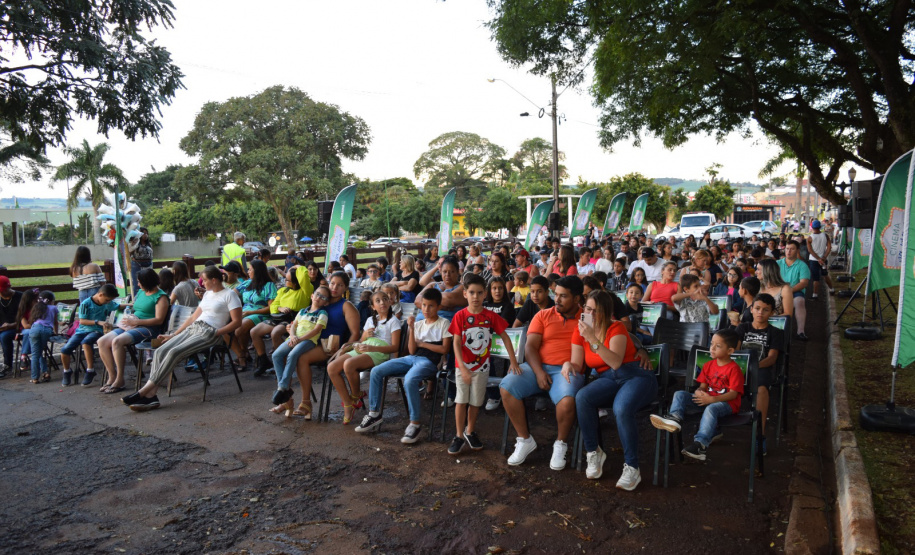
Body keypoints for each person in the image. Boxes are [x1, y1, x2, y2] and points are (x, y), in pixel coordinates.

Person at [121, 266, 243, 411]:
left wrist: (217, 332)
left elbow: (237, 322)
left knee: (174, 352)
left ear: (214, 280)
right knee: (160, 350)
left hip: (210, 332)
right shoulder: (208, 294)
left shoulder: (229, 295)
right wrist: (173, 334)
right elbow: (193, 317)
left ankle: (143, 392)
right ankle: (151, 395)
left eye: (204, 280)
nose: (201, 283)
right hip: (195, 328)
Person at [571, 290, 656, 487]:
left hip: (635, 375)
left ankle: (632, 468)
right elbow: (577, 362)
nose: (590, 314)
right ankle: (594, 452)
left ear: (607, 312)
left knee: (621, 407)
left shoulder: (616, 327)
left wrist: (593, 339)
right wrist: (569, 365)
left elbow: (616, 362)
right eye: (587, 309)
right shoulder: (581, 330)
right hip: (608, 378)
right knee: (583, 397)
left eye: (596, 311)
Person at [500, 276, 585, 469]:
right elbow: (530, 347)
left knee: (567, 401)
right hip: (537, 366)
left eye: (564, 296)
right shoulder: (543, 315)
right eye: (557, 295)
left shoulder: (587, 318)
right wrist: (538, 372)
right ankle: (524, 439)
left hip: (568, 370)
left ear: (577, 298)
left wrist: (639, 348)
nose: (557, 300)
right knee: (507, 386)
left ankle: (560, 443)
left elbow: (614, 329)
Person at [355, 287, 453, 442]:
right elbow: (412, 350)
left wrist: (423, 344)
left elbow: (444, 349)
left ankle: (415, 423)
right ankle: (374, 413)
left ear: (438, 307)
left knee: (410, 379)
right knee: (376, 371)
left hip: (429, 362)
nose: (426, 309)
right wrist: (412, 329)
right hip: (412, 358)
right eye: (424, 305)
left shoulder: (444, 323)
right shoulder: (419, 324)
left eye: (431, 306)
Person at [448, 273, 519, 455]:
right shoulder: (459, 316)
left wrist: (513, 360)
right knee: (461, 401)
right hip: (462, 367)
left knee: (475, 402)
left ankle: (470, 431)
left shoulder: (490, 316)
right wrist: (462, 367)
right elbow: (455, 343)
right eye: (471, 292)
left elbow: (505, 336)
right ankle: (458, 435)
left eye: (480, 293)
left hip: (482, 368)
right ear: (465, 294)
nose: (476, 297)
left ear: (485, 294)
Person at [650, 329, 744, 461]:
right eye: (711, 344)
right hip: (707, 400)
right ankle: (675, 418)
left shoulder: (734, 369)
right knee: (680, 394)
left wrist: (712, 399)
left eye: (718, 346)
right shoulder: (708, 365)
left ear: (730, 351)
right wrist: (699, 392)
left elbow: (733, 395)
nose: (712, 348)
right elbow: (702, 386)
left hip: (726, 404)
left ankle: (700, 445)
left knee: (712, 408)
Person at [292, 271, 361, 419]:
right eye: (332, 283)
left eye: (340, 285)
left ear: (346, 288)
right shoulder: (322, 300)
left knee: (301, 358)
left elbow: (355, 333)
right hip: (311, 341)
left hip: (332, 346)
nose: (335, 287)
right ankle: (290, 400)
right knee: (289, 355)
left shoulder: (346, 306)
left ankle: (306, 403)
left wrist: (344, 350)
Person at [328, 290, 401, 424]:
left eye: (385, 299)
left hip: (379, 352)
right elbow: (361, 341)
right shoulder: (370, 320)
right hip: (364, 348)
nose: (382, 302)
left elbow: (395, 347)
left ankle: (356, 395)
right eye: (377, 301)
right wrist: (365, 336)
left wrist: (372, 348)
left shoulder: (393, 321)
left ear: (390, 302)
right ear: (373, 307)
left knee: (349, 364)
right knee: (332, 367)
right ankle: (348, 403)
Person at [97, 268, 169, 393]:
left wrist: (137, 322)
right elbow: (135, 307)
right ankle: (112, 376)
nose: (138, 284)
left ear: (147, 282)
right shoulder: (141, 292)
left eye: (140, 282)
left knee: (117, 341)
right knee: (102, 341)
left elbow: (159, 320)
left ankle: (120, 379)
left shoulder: (160, 297)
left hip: (148, 328)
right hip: (132, 324)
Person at [269, 285, 330, 415]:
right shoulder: (302, 311)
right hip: (294, 338)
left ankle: (283, 386)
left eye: (323, 297)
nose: (319, 298)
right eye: (318, 294)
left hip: (308, 341)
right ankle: (283, 388)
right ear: (312, 295)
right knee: (276, 355)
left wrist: (300, 339)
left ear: (326, 302)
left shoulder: (322, 313)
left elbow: (316, 330)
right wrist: (292, 336)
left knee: (293, 355)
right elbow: (293, 325)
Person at [735, 293, 784, 451]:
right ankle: (715, 425)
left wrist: (754, 366)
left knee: (762, 390)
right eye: (757, 308)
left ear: (771, 312)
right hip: (739, 368)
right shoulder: (743, 328)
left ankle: (760, 434)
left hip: (761, 368)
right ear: (751, 309)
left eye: (765, 310)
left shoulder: (775, 332)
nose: (760, 312)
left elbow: (772, 358)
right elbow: (734, 351)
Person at [250, 264, 313, 374]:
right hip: (278, 317)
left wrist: (299, 266)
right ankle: (263, 360)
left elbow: (304, 277)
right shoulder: (283, 291)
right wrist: (280, 307)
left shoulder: (305, 291)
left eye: (287, 279)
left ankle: (282, 364)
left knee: (275, 333)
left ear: (295, 281)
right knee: (254, 331)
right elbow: (273, 306)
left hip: (293, 319)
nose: (284, 281)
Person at [60, 283, 119, 387]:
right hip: (82, 330)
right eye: (107, 300)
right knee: (65, 350)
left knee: (86, 342)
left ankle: (90, 369)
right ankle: (67, 371)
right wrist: (98, 322)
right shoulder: (85, 304)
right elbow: (82, 321)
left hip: (97, 331)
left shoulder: (108, 303)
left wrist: (132, 305)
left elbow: (118, 306)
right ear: (100, 295)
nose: (108, 302)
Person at [232, 259, 279, 368]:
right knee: (226, 328)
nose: (248, 272)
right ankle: (243, 353)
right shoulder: (248, 283)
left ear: (257, 271)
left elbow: (271, 308)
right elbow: (231, 294)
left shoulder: (269, 285)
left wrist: (250, 312)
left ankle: (242, 354)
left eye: (250, 269)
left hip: (260, 314)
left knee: (239, 329)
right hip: (245, 312)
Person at [778, 240, 811, 340]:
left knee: (800, 301)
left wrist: (789, 291)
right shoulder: (777, 263)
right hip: (778, 290)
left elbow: (804, 283)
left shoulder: (802, 265)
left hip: (796, 291)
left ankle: (800, 331)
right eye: (787, 249)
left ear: (797, 250)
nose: (789, 251)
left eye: (792, 249)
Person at [26, 291, 58, 384]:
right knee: (39, 352)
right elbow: (55, 322)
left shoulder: (36, 307)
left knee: (35, 354)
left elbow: (32, 320)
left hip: (35, 329)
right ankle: (45, 372)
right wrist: (56, 332)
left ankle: (35, 377)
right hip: (47, 330)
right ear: (51, 301)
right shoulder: (53, 308)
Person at [0, 276, 23, 377]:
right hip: (3, 327)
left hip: (18, 327)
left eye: (3, 290)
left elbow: (28, 318)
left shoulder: (20, 297)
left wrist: (11, 325)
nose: (1, 293)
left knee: (5, 336)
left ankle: (8, 364)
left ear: (9, 287)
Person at [806, 220, 834, 298]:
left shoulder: (810, 238)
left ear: (812, 227)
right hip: (824, 260)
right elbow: (829, 247)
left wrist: (818, 258)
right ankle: (832, 289)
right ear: (820, 227)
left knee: (816, 278)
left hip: (813, 260)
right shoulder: (825, 236)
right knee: (825, 275)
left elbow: (810, 250)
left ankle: (815, 294)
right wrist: (823, 257)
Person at [129, 227, 154, 295]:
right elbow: (129, 253)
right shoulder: (135, 244)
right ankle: (136, 300)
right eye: (143, 233)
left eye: (146, 233)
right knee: (138, 284)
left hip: (148, 264)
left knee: (149, 282)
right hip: (137, 264)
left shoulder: (149, 244)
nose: (145, 235)